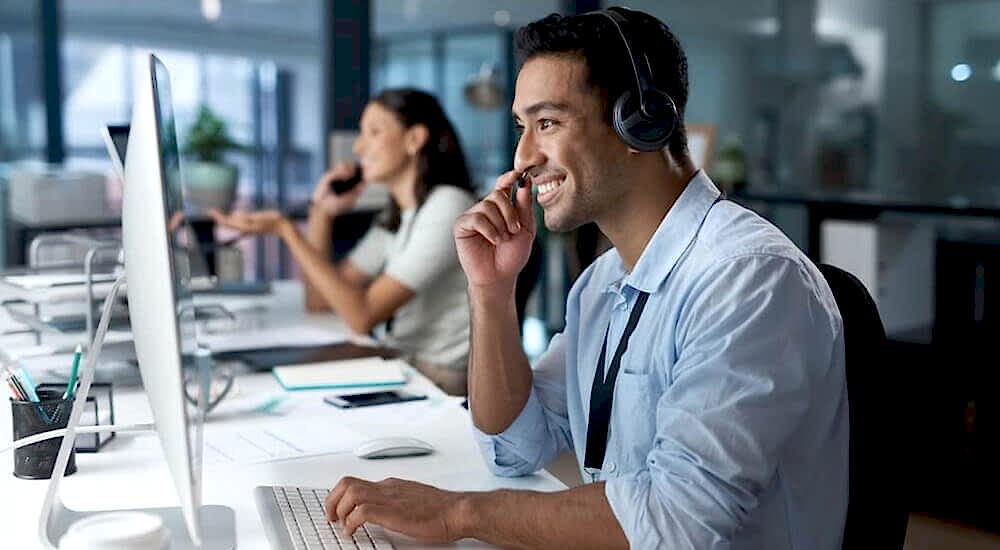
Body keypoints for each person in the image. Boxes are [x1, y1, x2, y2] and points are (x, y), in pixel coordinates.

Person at [323, 8, 849, 549]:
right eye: (522, 128)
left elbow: (676, 522)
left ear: (641, 123)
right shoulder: (603, 283)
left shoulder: (748, 280)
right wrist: (490, 293)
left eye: (547, 123)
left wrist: (458, 514)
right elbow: (513, 446)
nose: (523, 157)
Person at [210, 88, 476, 395]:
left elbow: (361, 315)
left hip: (438, 378)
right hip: (402, 363)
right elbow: (321, 302)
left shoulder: (447, 206)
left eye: (374, 132)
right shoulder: (399, 215)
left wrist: (287, 230)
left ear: (414, 139)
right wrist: (322, 214)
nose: (360, 148)